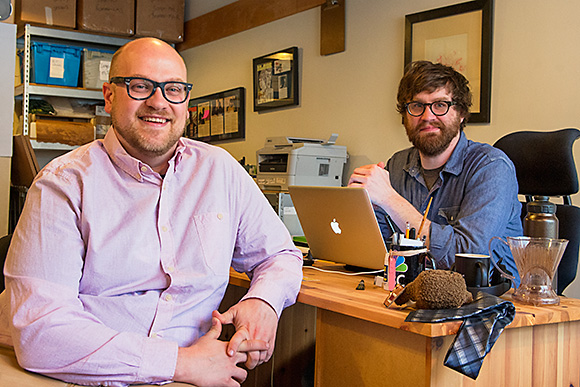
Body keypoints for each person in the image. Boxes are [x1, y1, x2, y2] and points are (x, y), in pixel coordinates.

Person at [0, 38, 303, 387]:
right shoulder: (63, 183)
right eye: (140, 86)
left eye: (173, 89)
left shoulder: (220, 171)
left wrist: (264, 301)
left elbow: (280, 254)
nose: (159, 102)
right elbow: (42, 332)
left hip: (198, 373)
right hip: (81, 375)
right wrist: (180, 363)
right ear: (110, 95)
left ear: (186, 101)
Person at [348, 61, 522, 282]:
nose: (427, 116)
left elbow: (468, 258)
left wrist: (389, 199)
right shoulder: (398, 164)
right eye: (417, 106)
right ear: (405, 116)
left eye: (440, 105)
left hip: (486, 302)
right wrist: (358, 212)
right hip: (412, 290)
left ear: (460, 113)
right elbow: (380, 247)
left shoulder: (491, 167)